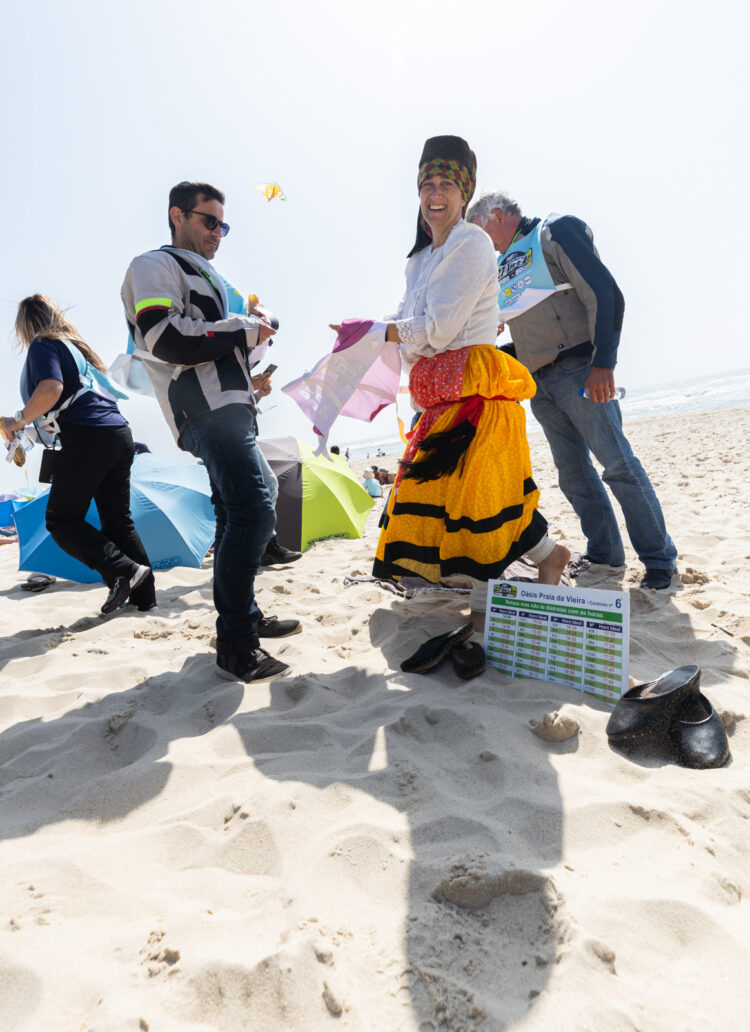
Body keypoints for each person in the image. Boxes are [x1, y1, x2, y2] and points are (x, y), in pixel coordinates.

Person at [334, 136, 569, 630]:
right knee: (461, 496)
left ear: (465, 194)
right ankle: (549, 557)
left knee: (476, 504)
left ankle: (483, 620)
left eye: (446, 184)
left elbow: (435, 330)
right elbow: (409, 325)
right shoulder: (419, 260)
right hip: (441, 393)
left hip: (477, 392)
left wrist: (382, 333)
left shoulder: (471, 243)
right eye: (427, 185)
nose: (435, 194)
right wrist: (370, 331)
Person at [121, 180, 300, 683]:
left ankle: (245, 618)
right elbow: (167, 337)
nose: (219, 232)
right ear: (177, 215)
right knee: (254, 508)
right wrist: (243, 328)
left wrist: (256, 331)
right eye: (209, 220)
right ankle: (237, 642)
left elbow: (223, 344)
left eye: (224, 224)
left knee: (236, 508)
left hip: (231, 406)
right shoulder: (153, 264)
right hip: (203, 408)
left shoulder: (212, 277)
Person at [467, 191, 677, 589]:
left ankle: (659, 560)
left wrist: (603, 363)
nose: (482, 242)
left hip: (582, 370)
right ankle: (605, 555)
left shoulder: (554, 230)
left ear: (494, 216)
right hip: (540, 384)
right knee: (574, 476)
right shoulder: (503, 267)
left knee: (618, 466)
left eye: (479, 230)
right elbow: (529, 331)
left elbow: (604, 292)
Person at [0, 295, 155, 614]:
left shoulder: (43, 344)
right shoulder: (78, 350)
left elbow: (51, 390)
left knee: (61, 520)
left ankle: (123, 570)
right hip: (118, 433)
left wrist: (18, 420)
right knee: (118, 523)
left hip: (88, 437)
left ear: (26, 327)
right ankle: (145, 600)